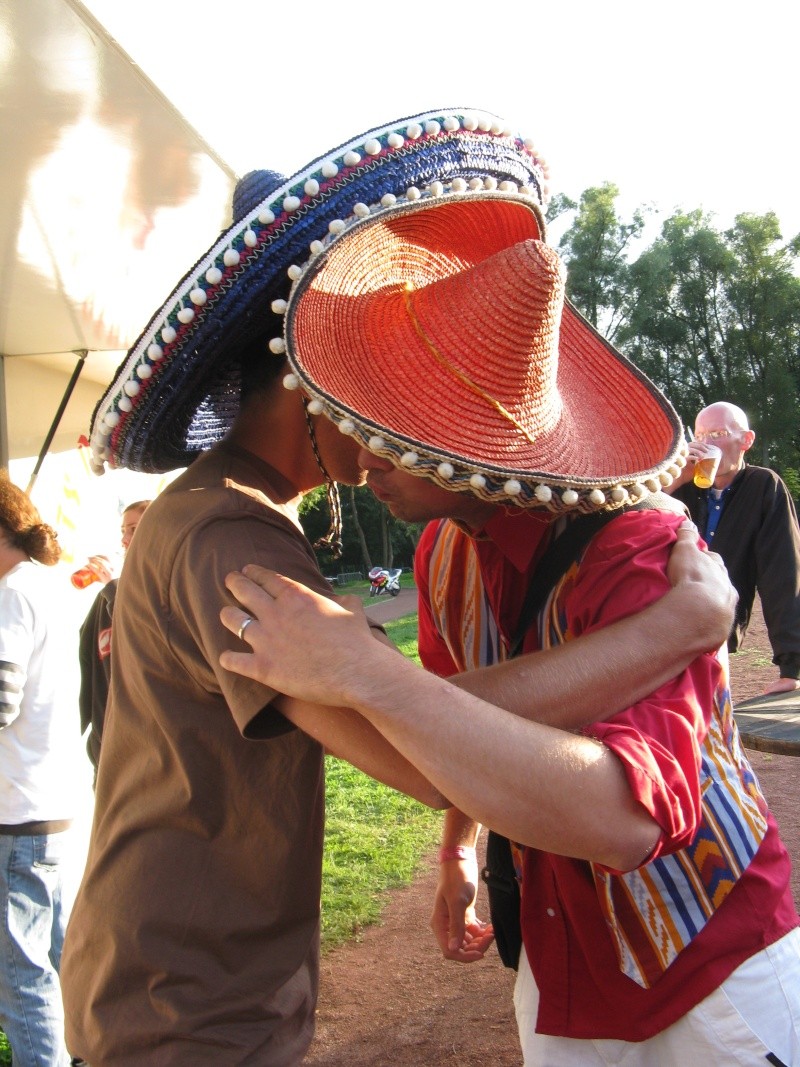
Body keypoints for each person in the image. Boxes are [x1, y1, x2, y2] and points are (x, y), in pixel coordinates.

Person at [62, 110, 737, 1065]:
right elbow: (421, 751)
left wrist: (386, 691)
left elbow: (423, 718)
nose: (391, 425)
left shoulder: (229, 514)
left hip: (188, 986)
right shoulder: (228, 533)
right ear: (307, 380)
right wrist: (673, 630)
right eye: (373, 382)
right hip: (188, 1010)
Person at [215, 155, 800, 1065]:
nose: (364, 449)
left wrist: (367, 677)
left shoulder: (642, 543)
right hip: (558, 967)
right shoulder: (442, 553)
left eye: (397, 424)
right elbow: (468, 716)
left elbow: (627, 821)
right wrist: (457, 843)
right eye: (369, 414)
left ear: (469, 444)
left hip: (711, 969)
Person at [0, 471, 80, 1067]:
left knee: (22, 981)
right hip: (49, 807)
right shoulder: (46, 587)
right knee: (57, 964)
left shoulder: (9, 594)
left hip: (14, 815)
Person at [671, 401, 800, 695]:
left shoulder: (763, 486)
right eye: (700, 435)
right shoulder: (681, 485)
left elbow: (782, 572)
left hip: (717, 631)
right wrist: (678, 479)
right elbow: (631, 519)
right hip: (665, 630)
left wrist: (792, 667)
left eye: (717, 434)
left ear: (746, 441)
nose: (705, 444)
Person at [77, 499, 151, 776]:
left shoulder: (158, 587)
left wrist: (112, 586)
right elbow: (87, 659)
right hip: (106, 748)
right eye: (123, 530)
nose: (124, 539)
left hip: (142, 753)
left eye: (133, 529)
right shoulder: (107, 596)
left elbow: (141, 639)